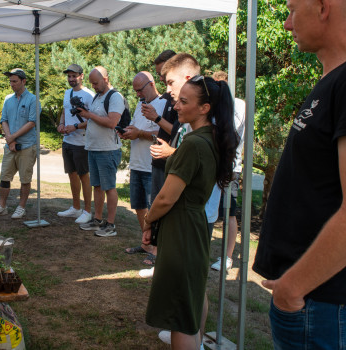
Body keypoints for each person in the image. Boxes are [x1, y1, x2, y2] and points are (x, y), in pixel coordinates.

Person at [252, 0, 346, 348]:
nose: (286, 24)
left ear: (324, 7)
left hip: (318, 301)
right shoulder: (340, 77)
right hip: (310, 300)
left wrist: (293, 288)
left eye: (293, 10)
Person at [143, 74, 238, 350]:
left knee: (180, 314)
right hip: (193, 226)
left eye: (184, 102)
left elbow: (165, 198)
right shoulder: (210, 138)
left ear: (204, 108)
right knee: (191, 300)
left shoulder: (194, 143)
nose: (176, 107)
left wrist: (148, 221)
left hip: (181, 229)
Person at [139, 52, 202, 278]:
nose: (168, 90)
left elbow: (199, 157)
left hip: (190, 210)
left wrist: (170, 152)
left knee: (187, 282)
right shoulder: (185, 115)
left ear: (187, 78)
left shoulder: (204, 121)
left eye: (171, 82)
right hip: (179, 206)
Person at [119, 71, 165, 265]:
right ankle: (146, 243)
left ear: (152, 84)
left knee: (154, 209)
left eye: (140, 90)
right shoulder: (140, 104)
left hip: (152, 165)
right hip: (137, 163)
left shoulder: (164, 103)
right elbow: (135, 126)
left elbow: (163, 133)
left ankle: (156, 250)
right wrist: (128, 131)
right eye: (135, 90)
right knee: (138, 205)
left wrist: (140, 134)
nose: (137, 94)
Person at [76, 66, 125, 237]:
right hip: (94, 148)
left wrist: (89, 115)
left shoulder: (115, 97)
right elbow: (95, 119)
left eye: (96, 83)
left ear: (105, 79)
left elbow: (112, 122)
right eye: (92, 83)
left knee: (109, 187)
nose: (94, 86)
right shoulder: (98, 96)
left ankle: (110, 224)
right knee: (96, 186)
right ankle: (97, 219)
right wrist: (85, 114)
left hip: (108, 149)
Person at [0, 68, 39, 219]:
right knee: (5, 177)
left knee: (25, 179)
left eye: (14, 81)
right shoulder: (8, 99)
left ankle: (21, 207)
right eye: (10, 81)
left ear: (23, 81)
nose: (11, 84)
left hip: (27, 146)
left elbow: (31, 122)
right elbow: (4, 120)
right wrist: (10, 139)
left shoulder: (32, 100)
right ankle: (2, 206)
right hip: (10, 146)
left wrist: (12, 137)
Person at [210, 70, 246, 271]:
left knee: (229, 211)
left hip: (230, 167)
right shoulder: (214, 106)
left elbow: (229, 132)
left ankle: (228, 257)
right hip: (211, 164)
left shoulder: (238, 105)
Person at [56, 64, 94, 224]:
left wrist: (75, 127)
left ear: (81, 76)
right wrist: (61, 124)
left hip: (82, 142)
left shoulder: (89, 95)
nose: (71, 79)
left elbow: (93, 118)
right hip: (67, 141)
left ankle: (87, 211)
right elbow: (65, 111)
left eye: (74, 76)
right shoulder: (67, 93)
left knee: (84, 176)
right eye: (69, 76)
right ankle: (76, 207)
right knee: (71, 174)